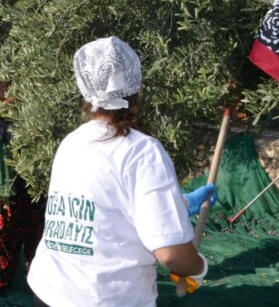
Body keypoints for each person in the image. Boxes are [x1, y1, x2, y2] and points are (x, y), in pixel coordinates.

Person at [27, 37, 216, 306]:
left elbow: (105, 209)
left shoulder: (72, 142)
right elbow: (172, 255)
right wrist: (197, 266)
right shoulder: (142, 150)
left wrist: (180, 205)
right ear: (137, 87)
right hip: (106, 298)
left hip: (49, 291)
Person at [0, 68, 45, 295]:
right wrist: (30, 128)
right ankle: (0, 287)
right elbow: (2, 132)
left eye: (7, 81)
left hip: (34, 186)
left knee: (37, 240)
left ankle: (39, 287)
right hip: (6, 188)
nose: (5, 86)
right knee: (3, 241)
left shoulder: (25, 108)